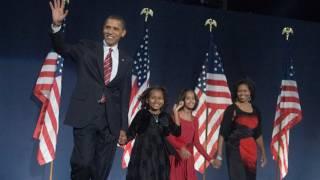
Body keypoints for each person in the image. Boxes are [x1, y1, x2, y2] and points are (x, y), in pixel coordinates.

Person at [49, 0, 132, 179]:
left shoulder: (127, 60)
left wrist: (124, 128)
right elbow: (62, 48)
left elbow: (125, 95)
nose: (110, 31)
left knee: (101, 170)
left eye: (115, 28)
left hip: (111, 121)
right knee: (83, 163)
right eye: (107, 27)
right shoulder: (87, 48)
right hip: (86, 114)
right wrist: (56, 26)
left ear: (123, 33)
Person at [213, 79, 267, 180]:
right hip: (235, 149)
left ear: (250, 92)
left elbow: (258, 134)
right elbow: (222, 133)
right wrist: (219, 155)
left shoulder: (256, 111)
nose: (242, 93)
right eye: (239, 91)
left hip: (251, 150)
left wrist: (263, 152)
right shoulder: (231, 109)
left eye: (245, 91)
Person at [125, 86, 181, 180]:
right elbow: (131, 132)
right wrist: (123, 139)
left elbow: (177, 132)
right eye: (153, 98)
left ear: (163, 100)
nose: (156, 101)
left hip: (160, 156)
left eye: (160, 98)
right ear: (147, 100)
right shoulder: (142, 114)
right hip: (143, 155)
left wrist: (175, 112)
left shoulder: (165, 116)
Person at [167, 89, 214, 180]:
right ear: (183, 100)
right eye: (188, 98)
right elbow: (169, 137)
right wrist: (181, 148)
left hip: (188, 159)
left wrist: (210, 159)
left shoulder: (195, 120)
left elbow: (196, 142)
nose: (191, 100)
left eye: (193, 98)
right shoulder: (174, 116)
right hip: (176, 157)